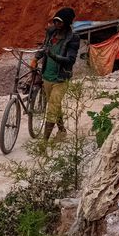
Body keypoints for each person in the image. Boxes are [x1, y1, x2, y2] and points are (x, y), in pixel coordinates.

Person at [37, 7, 80, 141]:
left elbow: (70, 60)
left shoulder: (73, 38)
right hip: (47, 76)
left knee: (52, 108)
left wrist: (53, 56)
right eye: (55, 21)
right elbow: (44, 47)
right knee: (55, 105)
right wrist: (35, 58)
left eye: (60, 22)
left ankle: (44, 144)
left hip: (60, 78)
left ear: (67, 23)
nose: (56, 24)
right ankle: (62, 131)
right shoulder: (51, 33)